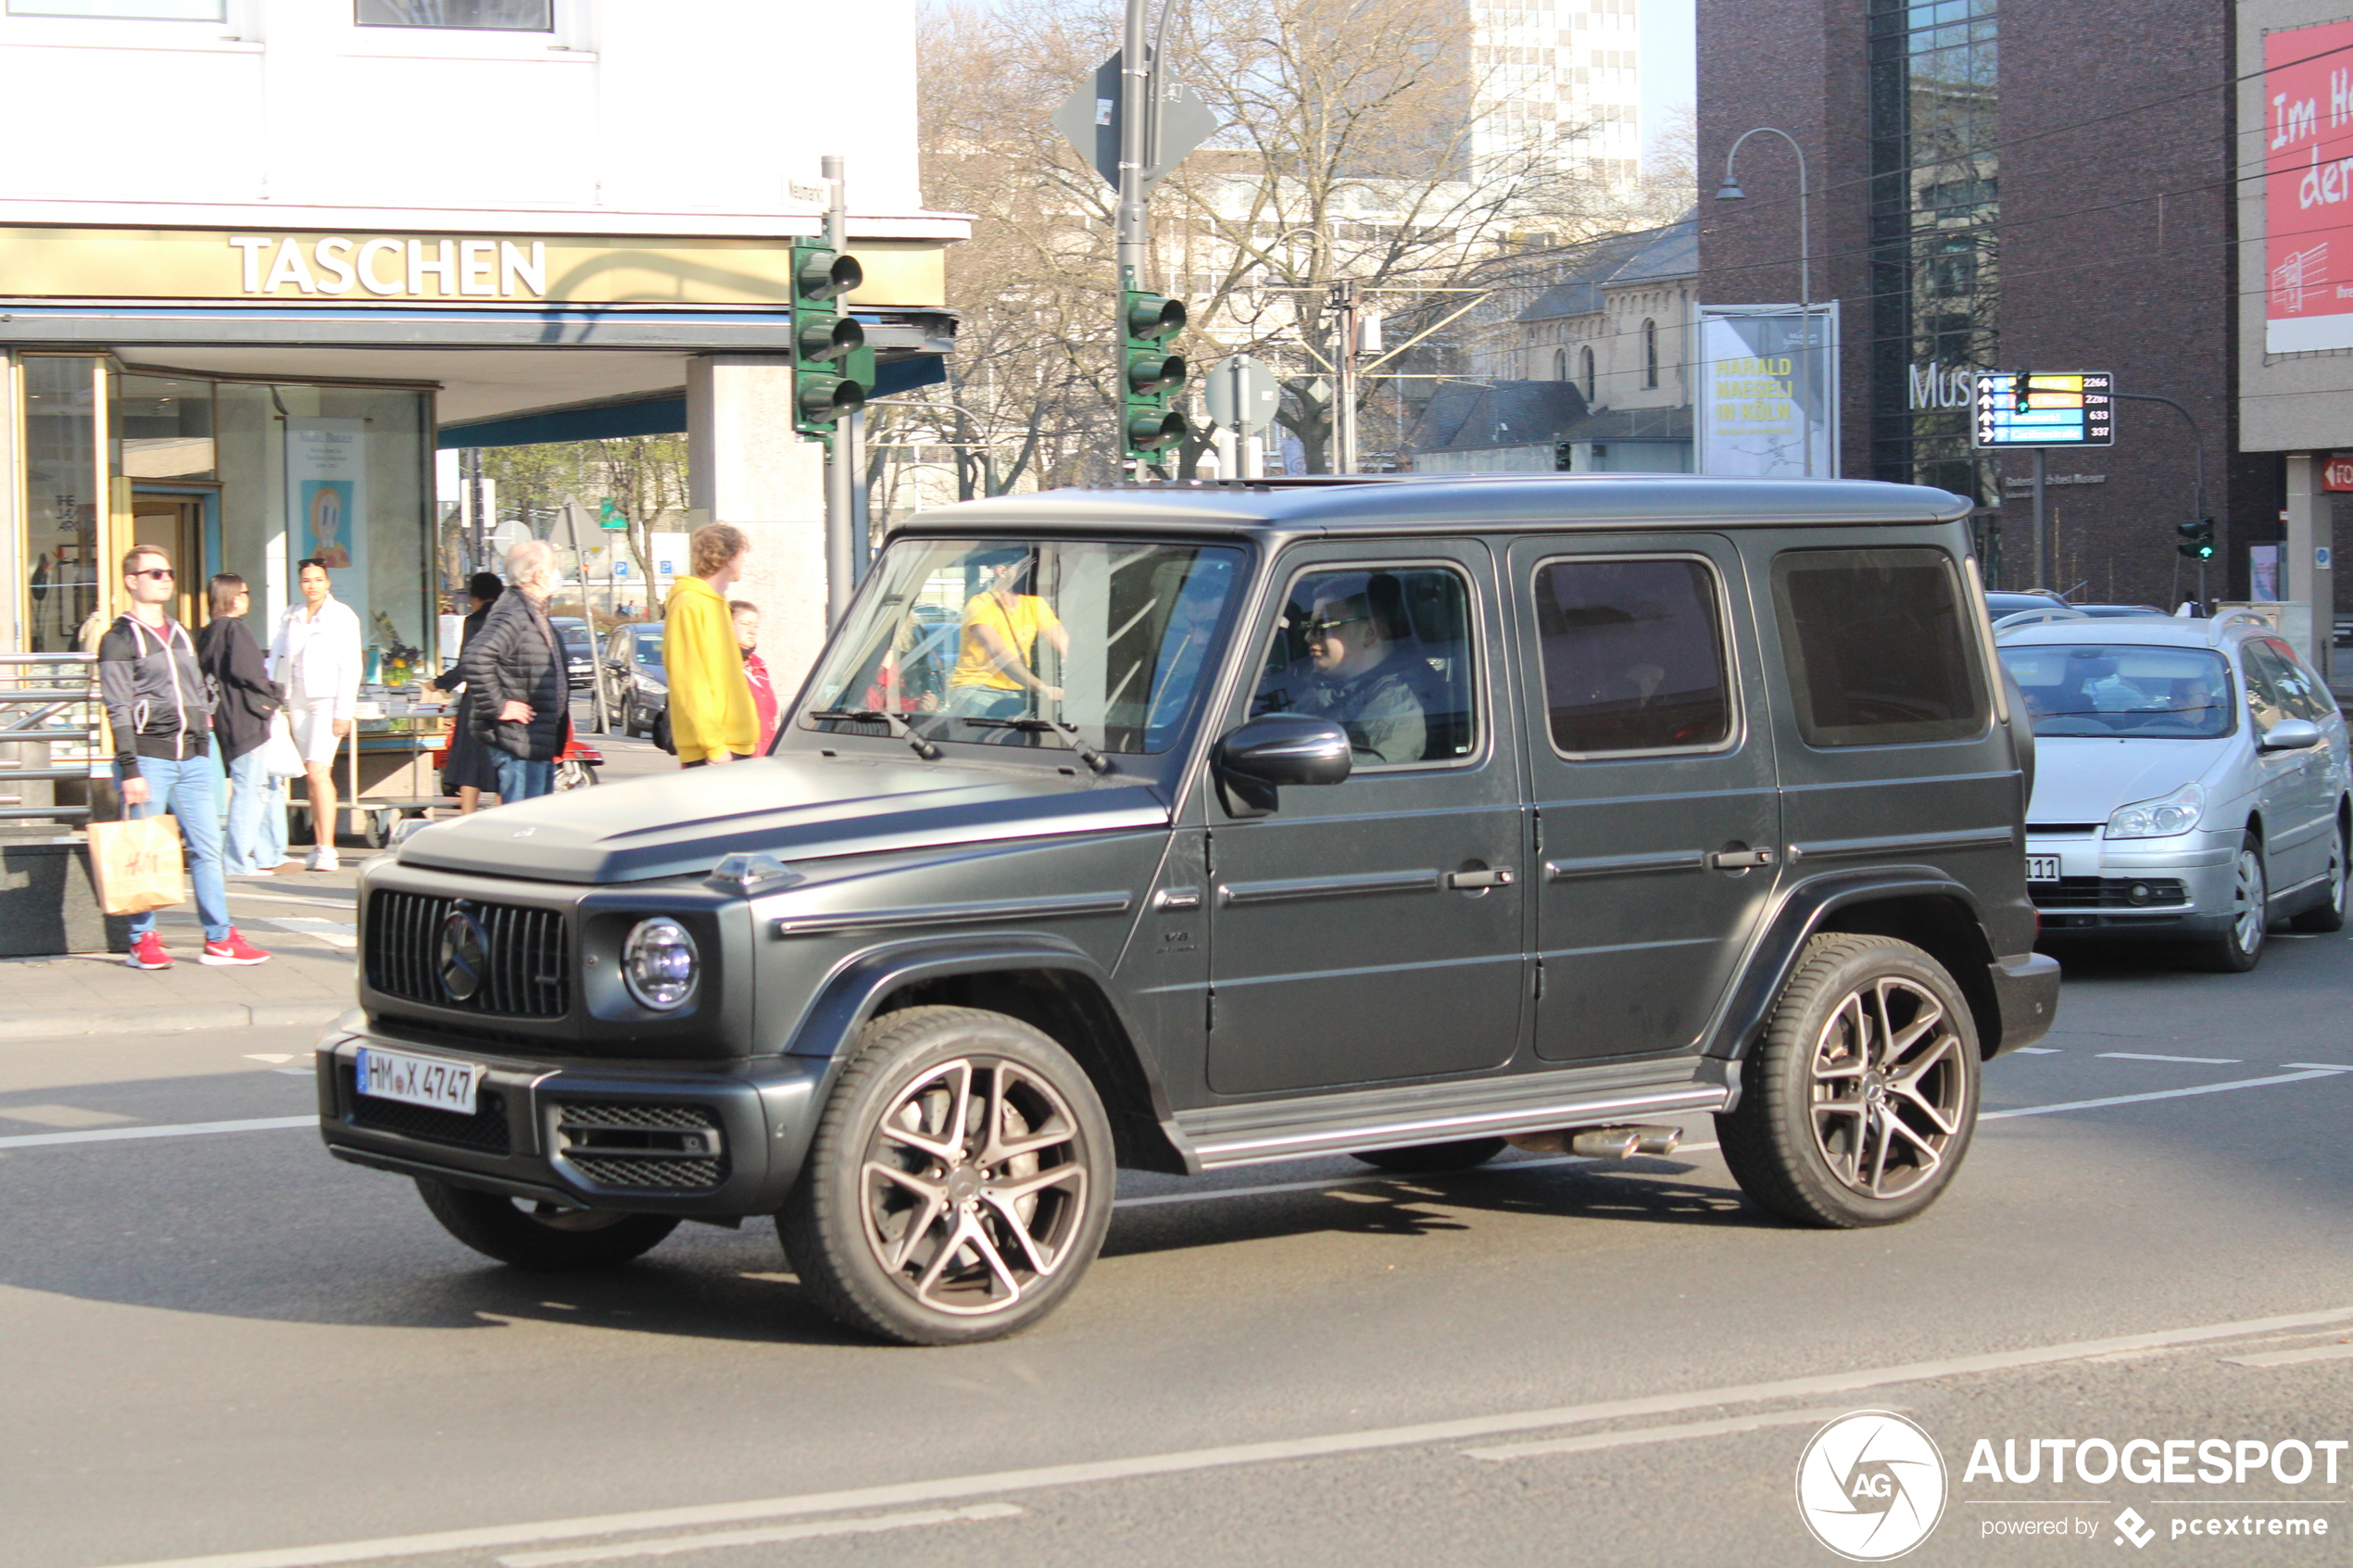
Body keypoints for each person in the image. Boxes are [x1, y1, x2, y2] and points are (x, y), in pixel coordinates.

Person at [99, 546, 271, 970]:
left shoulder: (180, 633)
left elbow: (199, 687)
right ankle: (142, 938)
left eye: (169, 572)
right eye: (155, 573)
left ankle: (219, 937)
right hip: (149, 758)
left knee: (207, 849)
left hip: (193, 756)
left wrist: (204, 733)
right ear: (131, 581)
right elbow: (117, 706)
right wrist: (130, 767)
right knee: (144, 851)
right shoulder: (119, 639)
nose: (165, 578)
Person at [455, 540, 569, 803]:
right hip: (519, 741)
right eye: (553, 567)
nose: (556, 574)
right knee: (521, 828)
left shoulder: (530, 611)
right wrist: (500, 706)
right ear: (539, 575)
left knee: (533, 825)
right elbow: (475, 658)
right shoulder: (513, 613)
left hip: (535, 740)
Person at [195, 574, 293, 876]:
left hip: (226, 718)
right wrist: (275, 693)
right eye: (246, 591)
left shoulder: (209, 632)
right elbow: (249, 671)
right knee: (250, 788)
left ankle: (266, 854)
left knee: (258, 786)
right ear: (234, 597)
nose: (248, 597)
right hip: (247, 718)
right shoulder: (235, 629)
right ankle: (238, 860)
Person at [269, 557, 362, 871]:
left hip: (327, 700)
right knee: (311, 774)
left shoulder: (341, 616)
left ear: (328, 582)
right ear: (300, 584)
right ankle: (318, 844)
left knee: (319, 771)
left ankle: (328, 848)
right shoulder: (291, 615)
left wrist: (343, 711)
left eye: (318, 580)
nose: (313, 586)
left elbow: (350, 665)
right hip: (297, 700)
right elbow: (277, 656)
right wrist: (272, 694)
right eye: (307, 580)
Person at [1295, 582, 1429, 765]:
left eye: (1324, 625)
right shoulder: (1321, 690)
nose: (1309, 636)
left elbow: (1360, 783)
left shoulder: (1396, 704)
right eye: (1308, 626)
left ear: (1370, 632)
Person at [663, 523, 758, 766]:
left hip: (733, 743)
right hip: (714, 750)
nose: (743, 561)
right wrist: (714, 746)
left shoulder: (718, 605)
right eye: (741, 554)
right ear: (728, 557)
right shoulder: (689, 604)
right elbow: (689, 681)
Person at [947, 547, 1069, 721]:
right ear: (1002, 571)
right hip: (975, 688)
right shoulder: (981, 604)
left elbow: (1062, 641)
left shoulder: (1035, 603)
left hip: (1017, 689)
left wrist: (1069, 662)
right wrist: (1043, 688)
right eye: (1025, 568)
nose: (1032, 574)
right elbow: (999, 654)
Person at [432, 571, 505, 814]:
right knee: (502, 760)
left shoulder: (474, 621)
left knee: (469, 763)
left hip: (477, 700)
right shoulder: (510, 620)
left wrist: (440, 683)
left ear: (476, 596)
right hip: (507, 698)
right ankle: (503, 815)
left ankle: (467, 817)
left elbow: (468, 664)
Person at [730, 598, 779, 754]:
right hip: (734, 759)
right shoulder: (721, 664)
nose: (752, 631)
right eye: (745, 624)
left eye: (755, 626)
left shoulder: (758, 665)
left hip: (764, 758)